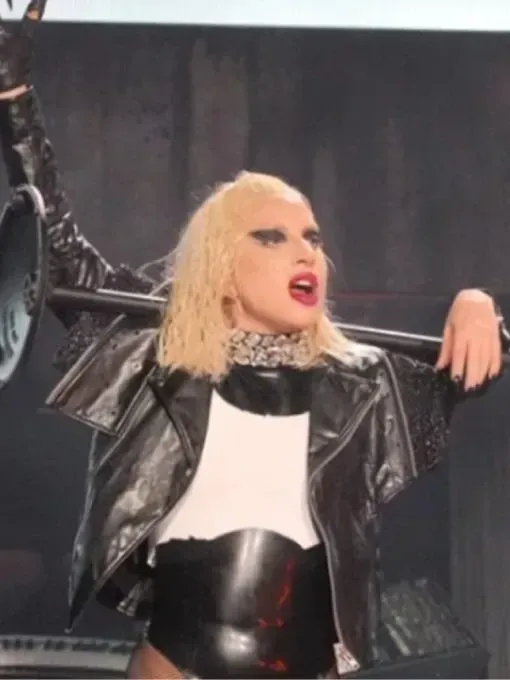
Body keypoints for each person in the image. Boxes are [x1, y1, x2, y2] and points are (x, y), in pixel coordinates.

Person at [0, 4, 505, 679]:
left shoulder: (366, 382)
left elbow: (477, 366)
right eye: (272, 237)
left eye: (312, 238)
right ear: (222, 268)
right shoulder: (159, 357)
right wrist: (14, 98)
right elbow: (58, 256)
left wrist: (481, 307)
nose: (305, 253)